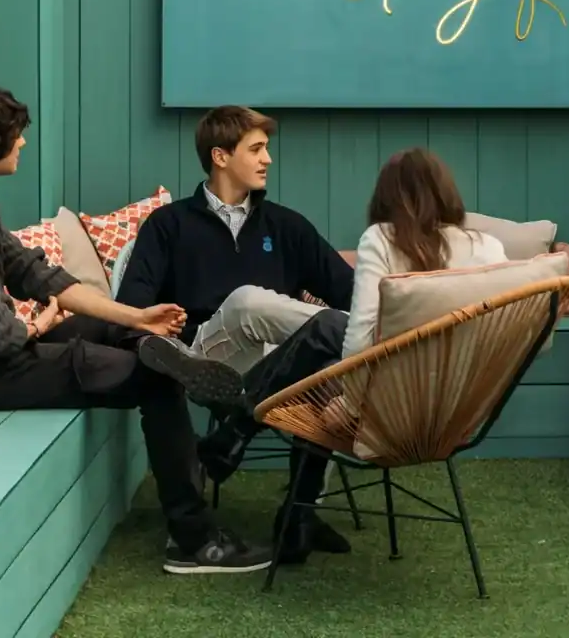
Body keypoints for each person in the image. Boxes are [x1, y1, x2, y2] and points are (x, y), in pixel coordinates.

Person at [0, 84, 272, 575]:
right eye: (14, 134)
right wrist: (37, 324)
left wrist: (135, 317)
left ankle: (174, 366)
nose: (22, 142)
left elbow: (35, 274)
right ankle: (195, 541)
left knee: (114, 331)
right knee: (157, 377)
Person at [115, 104, 357, 563]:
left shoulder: (287, 226)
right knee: (254, 303)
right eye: (257, 149)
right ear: (220, 156)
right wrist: (158, 329)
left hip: (279, 368)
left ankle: (298, 513)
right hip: (207, 358)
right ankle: (258, 408)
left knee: (326, 359)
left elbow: (349, 293)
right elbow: (132, 305)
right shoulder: (169, 225)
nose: (268, 159)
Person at [340, 147, 507, 361]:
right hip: (475, 378)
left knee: (324, 331)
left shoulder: (380, 238)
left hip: (395, 379)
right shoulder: (489, 247)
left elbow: (357, 346)